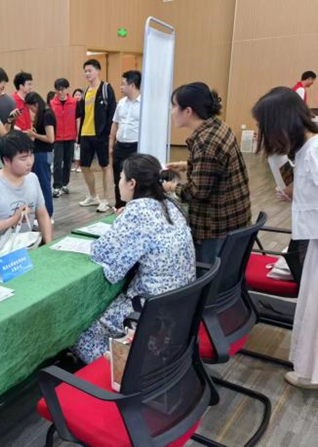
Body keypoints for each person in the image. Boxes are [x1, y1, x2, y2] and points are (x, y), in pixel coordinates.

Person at [72, 154, 196, 364]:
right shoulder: (170, 204)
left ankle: (120, 369)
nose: (119, 183)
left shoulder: (138, 211)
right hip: (179, 304)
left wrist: (124, 220)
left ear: (132, 183)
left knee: (80, 333)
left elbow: (103, 254)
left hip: (150, 309)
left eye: (121, 178)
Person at [252, 87, 318, 389]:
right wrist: (295, 193)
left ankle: (311, 372)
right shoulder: (306, 150)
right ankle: (309, 369)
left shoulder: (313, 151)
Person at [165, 82, 251, 264]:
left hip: (216, 227)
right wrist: (187, 165)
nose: (171, 112)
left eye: (174, 106)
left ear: (188, 111)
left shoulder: (205, 142)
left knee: (207, 276)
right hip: (236, 221)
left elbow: (198, 193)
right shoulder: (218, 126)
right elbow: (218, 166)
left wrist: (171, 187)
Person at [0, 131, 53, 252]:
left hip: (26, 245)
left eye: (31, 155)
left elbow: (42, 215)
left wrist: (48, 246)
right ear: (6, 160)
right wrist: (14, 220)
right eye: (23, 158)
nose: (30, 162)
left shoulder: (32, 178)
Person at [77, 59, 117, 212]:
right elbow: (82, 114)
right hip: (86, 134)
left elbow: (112, 113)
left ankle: (106, 200)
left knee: (105, 166)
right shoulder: (85, 91)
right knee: (84, 166)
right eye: (85, 71)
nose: (87, 74)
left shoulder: (106, 89)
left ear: (98, 71)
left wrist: (108, 134)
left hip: (101, 135)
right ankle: (93, 196)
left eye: (90, 70)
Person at [109, 70, 142, 209]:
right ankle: (119, 207)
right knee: (118, 179)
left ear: (132, 85)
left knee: (134, 179)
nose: (121, 87)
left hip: (136, 147)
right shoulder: (121, 103)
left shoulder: (144, 104)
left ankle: (134, 208)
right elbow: (115, 123)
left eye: (123, 84)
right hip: (120, 146)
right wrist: (111, 145)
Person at [25, 92, 55, 217]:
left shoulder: (47, 115)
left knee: (44, 185)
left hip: (43, 154)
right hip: (39, 153)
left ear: (36, 104)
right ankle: (42, 213)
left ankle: (47, 214)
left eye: (31, 108)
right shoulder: (43, 114)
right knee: (40, 184)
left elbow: (50, 138)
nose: (31, 111)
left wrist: (34, 135)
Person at [51, 78, 78, 197]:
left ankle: (64, 184)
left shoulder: (74, 102)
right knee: (57, 162)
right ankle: (57, 186)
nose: (60, 92)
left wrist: (77, 135)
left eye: (62, 89)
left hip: (70, 137)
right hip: (57, 138)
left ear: (67, 89)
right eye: (58, 90)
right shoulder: (52, 103)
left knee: (68, 162)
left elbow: (77, 119)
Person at [71, 88, 84, 173]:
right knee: (76, 148)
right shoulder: (72, 105)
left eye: (79, 95)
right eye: (76, 95)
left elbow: (78, 120)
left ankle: (79, 165)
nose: (77, 96)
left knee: (79, 148)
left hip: (81, 129)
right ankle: (76, 165)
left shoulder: (82, 105)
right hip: (73, 128)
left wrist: (78, 133)